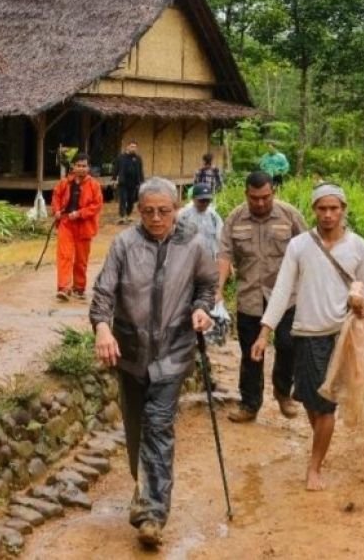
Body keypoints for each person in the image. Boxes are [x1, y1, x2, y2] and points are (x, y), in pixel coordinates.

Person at [89, 177, 217, 549]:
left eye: (163, 211)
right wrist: (101, 329)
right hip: (129, 354)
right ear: (139, 210)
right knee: (136, 429)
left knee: (158, 427)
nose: (156, 218)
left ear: (176, 209)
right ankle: (144, 490)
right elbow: (104, 292)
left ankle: (153, 513)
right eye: (148, 211)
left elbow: (207, 286)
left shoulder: (193, 244)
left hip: (173, 354)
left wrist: (201, 309)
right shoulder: (124, 244)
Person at [249, 183, 364, 491]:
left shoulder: (360, 248)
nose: (329, 214)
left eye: (334, 208)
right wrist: (265, 332)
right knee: (309, 398)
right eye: (322, 208)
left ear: (344, 209)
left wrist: (361, 301)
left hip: (340, 335)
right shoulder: (300, 246)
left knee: (327, 404)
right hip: (306, 333)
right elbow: (282, 290)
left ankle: (314, 466)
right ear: (314, 210)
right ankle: (321, 443)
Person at [218, 171, 308, 423]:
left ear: (273, 193)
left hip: (287, 297)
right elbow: (224, 255)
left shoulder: (289, 216)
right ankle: (249, 403)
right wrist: (218, 290)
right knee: (250, 352)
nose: (260, 203)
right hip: (250, 297)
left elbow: (308, 250)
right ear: (246, 194)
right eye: (254, 198)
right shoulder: (235, 218)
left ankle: (282, 391)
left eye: (265, 197)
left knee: (288, 346)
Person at [51, 153, 104, 301]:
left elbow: (97, 205)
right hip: (66, 223)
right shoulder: (64, 183)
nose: (81, 168)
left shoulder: (94, 185)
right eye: (79, 165)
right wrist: (56, 211)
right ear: (73, 167)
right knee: (64, 256)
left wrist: (80, 213)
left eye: (84, 166)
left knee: (81, 259)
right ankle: (63, 288)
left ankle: (79, 288)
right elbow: (56, 197)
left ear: (88, 168)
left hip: (84, 225)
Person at [177, 183, 222, 256]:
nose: (205, 203)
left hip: (209, 258)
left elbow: (220, 237)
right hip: (188, 258)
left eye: (207, 200)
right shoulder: (183, 215)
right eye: (201, 200)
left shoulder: (213, 216)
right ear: (193, 199)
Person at [112, 141, 145, 224]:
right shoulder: (121, 157)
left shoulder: (138, 158)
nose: (133, 148)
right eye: (131, 146)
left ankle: (128, 214)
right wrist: (114, 179)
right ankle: (122, 216)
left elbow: (140, 170)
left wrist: (142, 181)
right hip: (123, 182)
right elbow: (116, 169)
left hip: (134, 183)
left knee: (131, 200)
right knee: (123, 200)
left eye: (135, 147)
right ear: (127, 147)